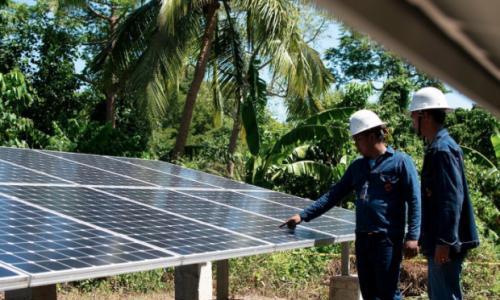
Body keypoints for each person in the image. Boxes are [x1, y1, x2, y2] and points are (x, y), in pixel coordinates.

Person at [281, 109, 421, 300]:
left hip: (387, 240)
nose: (356, 145)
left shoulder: (401, 163)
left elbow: (415, 200)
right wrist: (302, 216)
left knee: (388, 293)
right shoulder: (357, 167)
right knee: (370, 293)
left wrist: (413, 236)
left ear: (372, 136)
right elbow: (333, 195)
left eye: (358, 140)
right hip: (363, 240)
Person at [409, 87, 479, 299]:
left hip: (445, 242)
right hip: (441, 240)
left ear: (425, 116)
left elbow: (450, 199)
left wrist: (445, 242)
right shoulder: (438, 147)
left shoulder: (442, 150)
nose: (412, 122)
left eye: (414, 116)